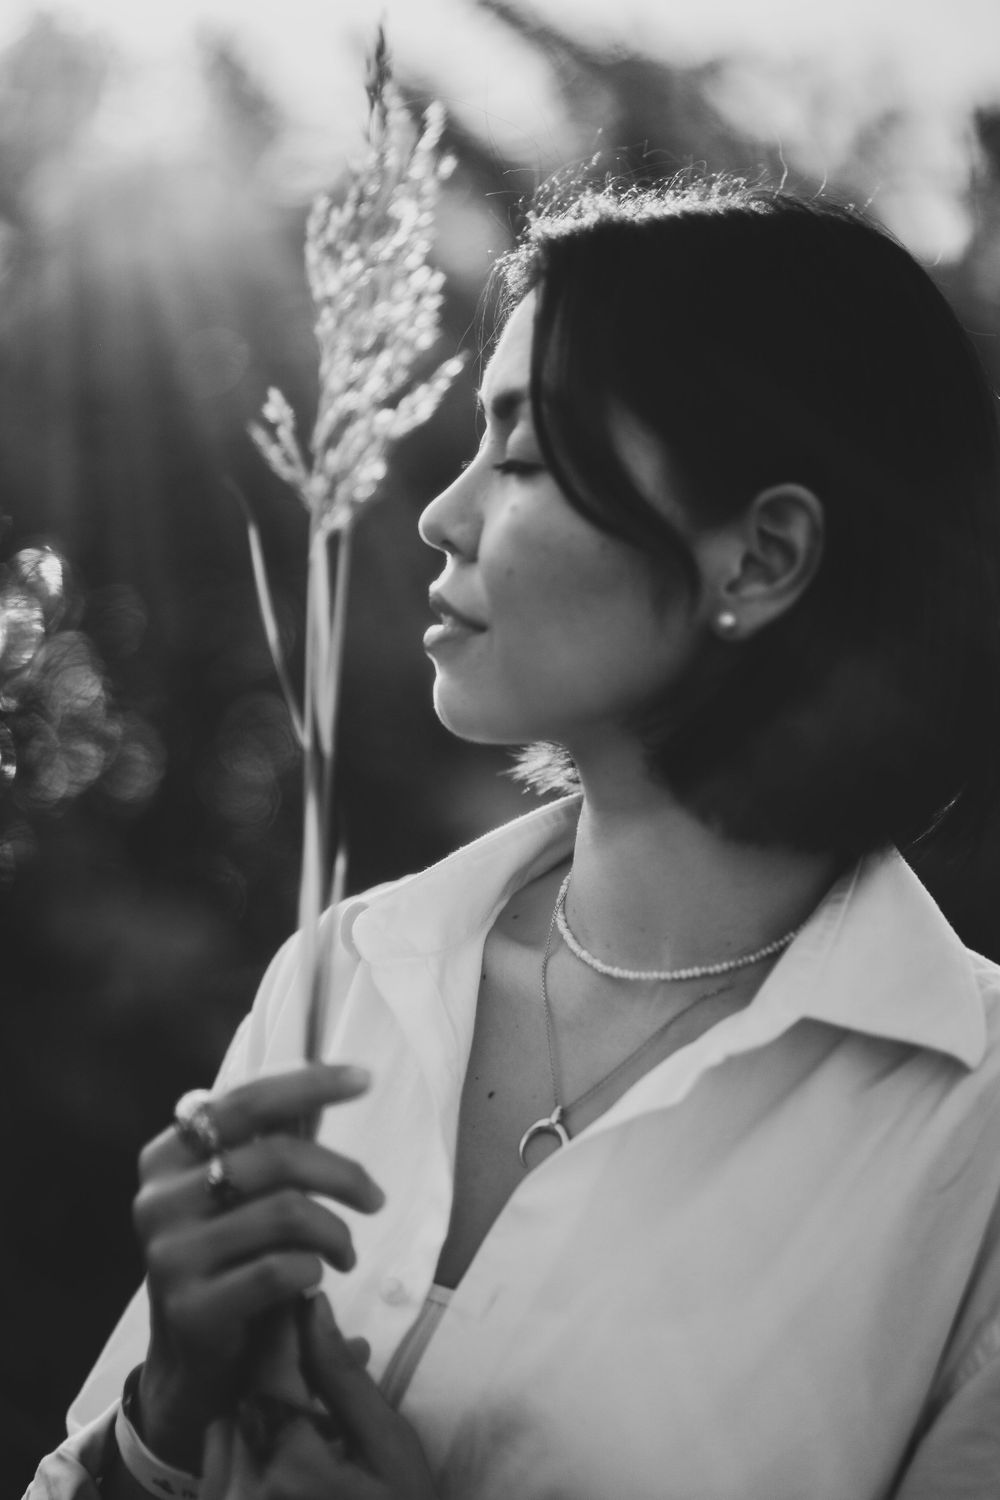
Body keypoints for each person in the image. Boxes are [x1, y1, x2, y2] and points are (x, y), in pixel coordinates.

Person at [28, 175, 1000, 1500]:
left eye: (527, 457)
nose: (445, 514)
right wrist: (159, 1422)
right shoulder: (348, 970)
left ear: (762, 559)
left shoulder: (972, 1140)